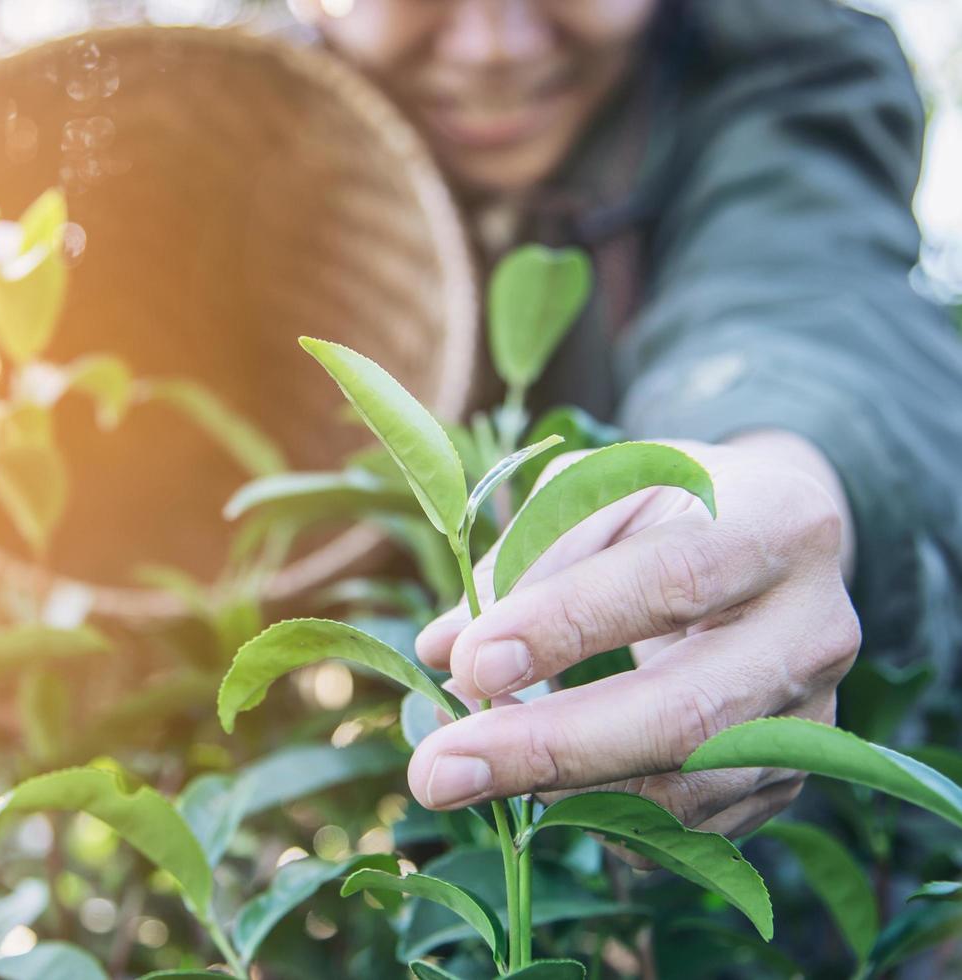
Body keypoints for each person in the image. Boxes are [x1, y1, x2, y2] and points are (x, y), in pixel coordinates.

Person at [293, 0, 962, 840]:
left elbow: (794, 301)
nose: (489, 46)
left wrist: (760, 481)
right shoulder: (237, 135)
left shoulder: (773, 66)